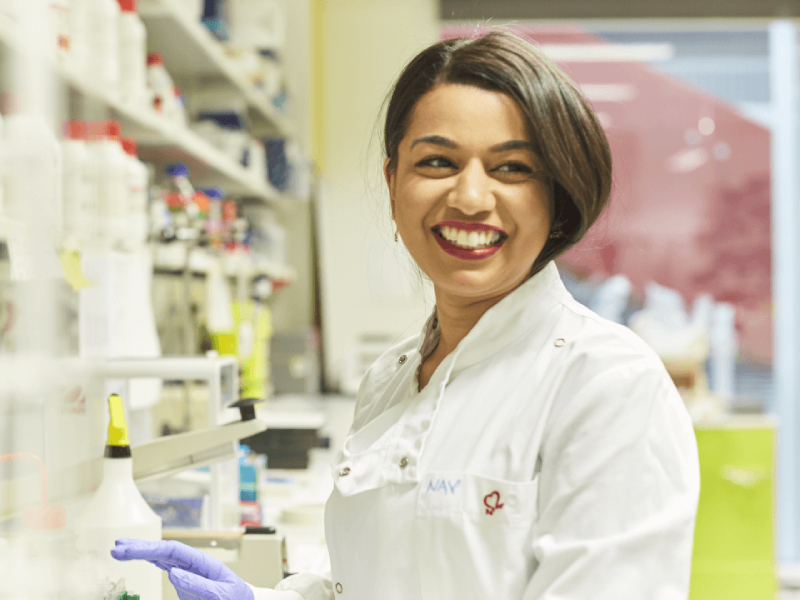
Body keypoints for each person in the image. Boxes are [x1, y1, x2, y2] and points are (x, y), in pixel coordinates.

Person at [112, 30, 700, 600]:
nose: (470, 197)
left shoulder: (608, 386)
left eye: (511, 168)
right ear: (394, 184)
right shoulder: (390, 379)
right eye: (438, 162)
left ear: (557, 194)